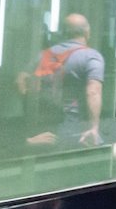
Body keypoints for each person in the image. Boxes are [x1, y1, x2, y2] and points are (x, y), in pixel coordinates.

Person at [22, 13, 105, 146]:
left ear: (63, 32)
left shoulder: (43, 55)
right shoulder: (91, 57)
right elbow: (93, 92)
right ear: (87, 32)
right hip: (74, 128)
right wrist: (94, 127)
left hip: (41, 127)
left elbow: (21, 81)